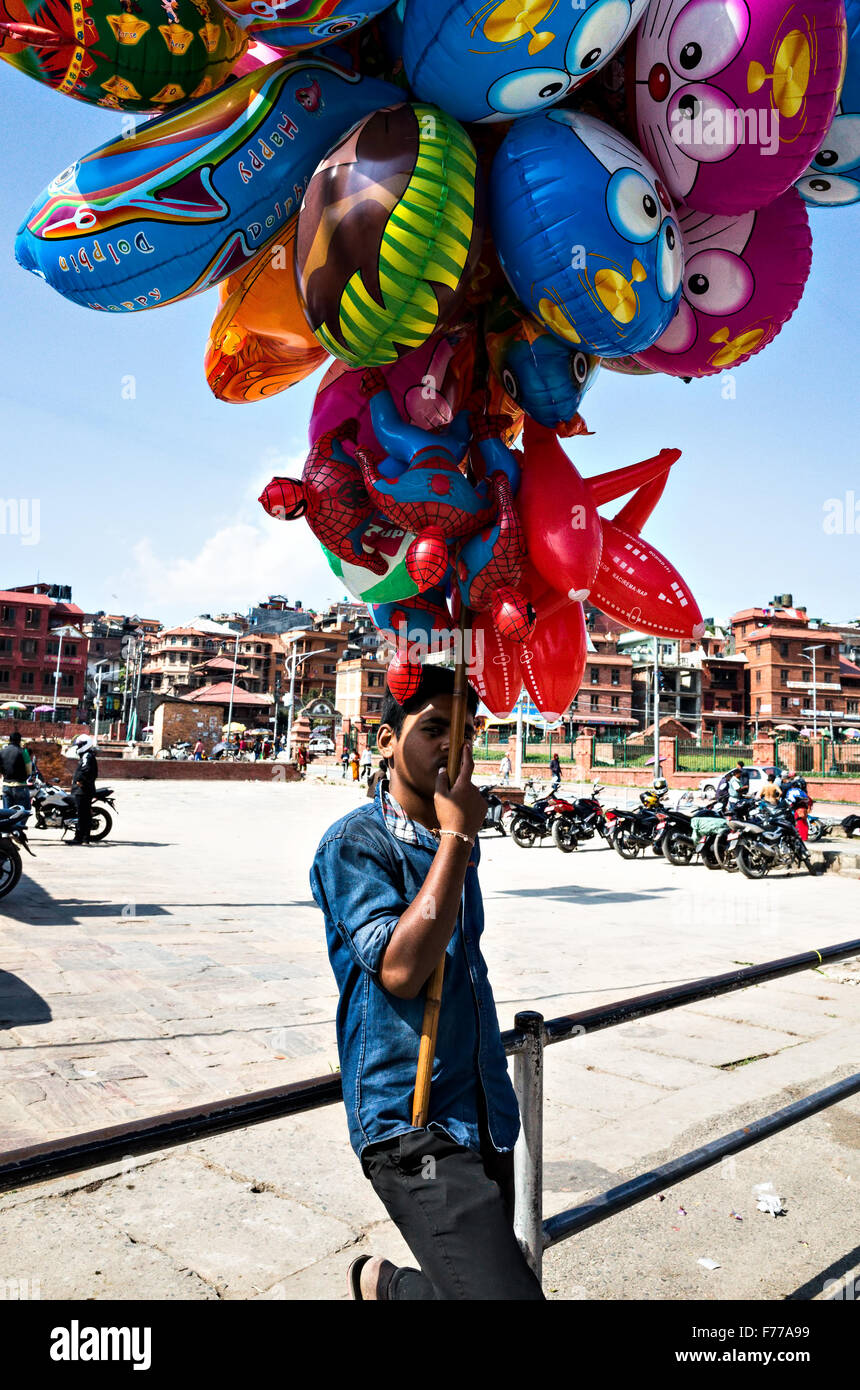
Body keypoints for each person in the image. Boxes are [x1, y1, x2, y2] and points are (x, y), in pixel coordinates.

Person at [310, 665, 544, 1302]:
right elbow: (401, 971)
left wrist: (453, 839)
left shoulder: (450, 843)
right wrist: (458, 837)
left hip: (485, 1110)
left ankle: (383, 1286)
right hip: (410, 1121)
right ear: (386, 740)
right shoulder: (354, 844)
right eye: (435, 727)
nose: (453, 745)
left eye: (466, 731)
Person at [68, 734, 98, 846]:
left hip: (83, 790)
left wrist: (80, 781)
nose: (78, 747)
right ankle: (84, 838)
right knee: (84, 815)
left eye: (80, 745)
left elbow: (86, 770)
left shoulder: (87, 756)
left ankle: (80, 838)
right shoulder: (86, 755)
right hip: (83, 790)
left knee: (82, 815)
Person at [1, 731, 32, 811]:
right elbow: (29, 770)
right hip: (20, 786)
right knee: (23, 812)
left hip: (6, 786)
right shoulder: (23, 752)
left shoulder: (2, 752)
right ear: (19, 741)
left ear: (9, 740)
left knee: (8, 815)